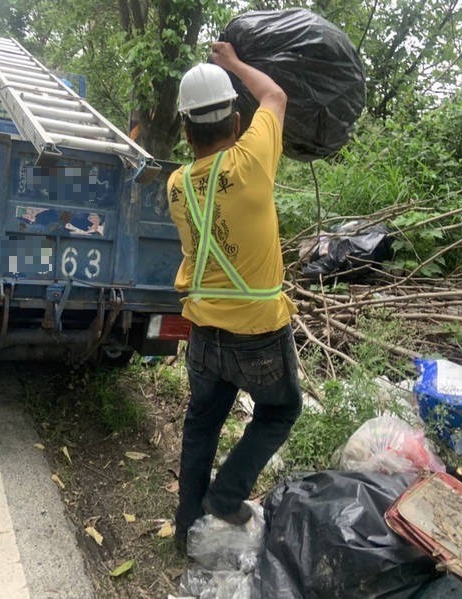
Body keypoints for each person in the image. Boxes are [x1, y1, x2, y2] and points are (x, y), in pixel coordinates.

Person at [167, 42, 302, 553]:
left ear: (185, 129)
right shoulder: (251, 161)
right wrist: (234, 63)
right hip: (259, 331)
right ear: (238, 120)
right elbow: (276, 95)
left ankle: (185, 529)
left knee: (201, 424)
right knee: (280, 411)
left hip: (204, 332)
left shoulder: (176, 185)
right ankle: (224, 498)